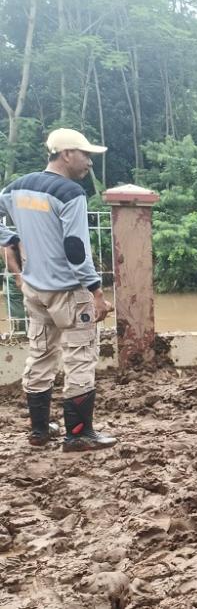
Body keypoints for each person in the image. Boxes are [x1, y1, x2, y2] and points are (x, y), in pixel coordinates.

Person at [0, 128, 117, 451]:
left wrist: (7, 238)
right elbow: (76, 249)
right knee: (80, 357)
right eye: (85, 155)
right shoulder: (70, 193)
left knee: (40, 354)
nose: (89, 163)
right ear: (66, 154)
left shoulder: (17, 188)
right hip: (68, 290)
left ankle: (39, 431)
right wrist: (96, 292)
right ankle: (78, 434)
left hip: (35, 289)